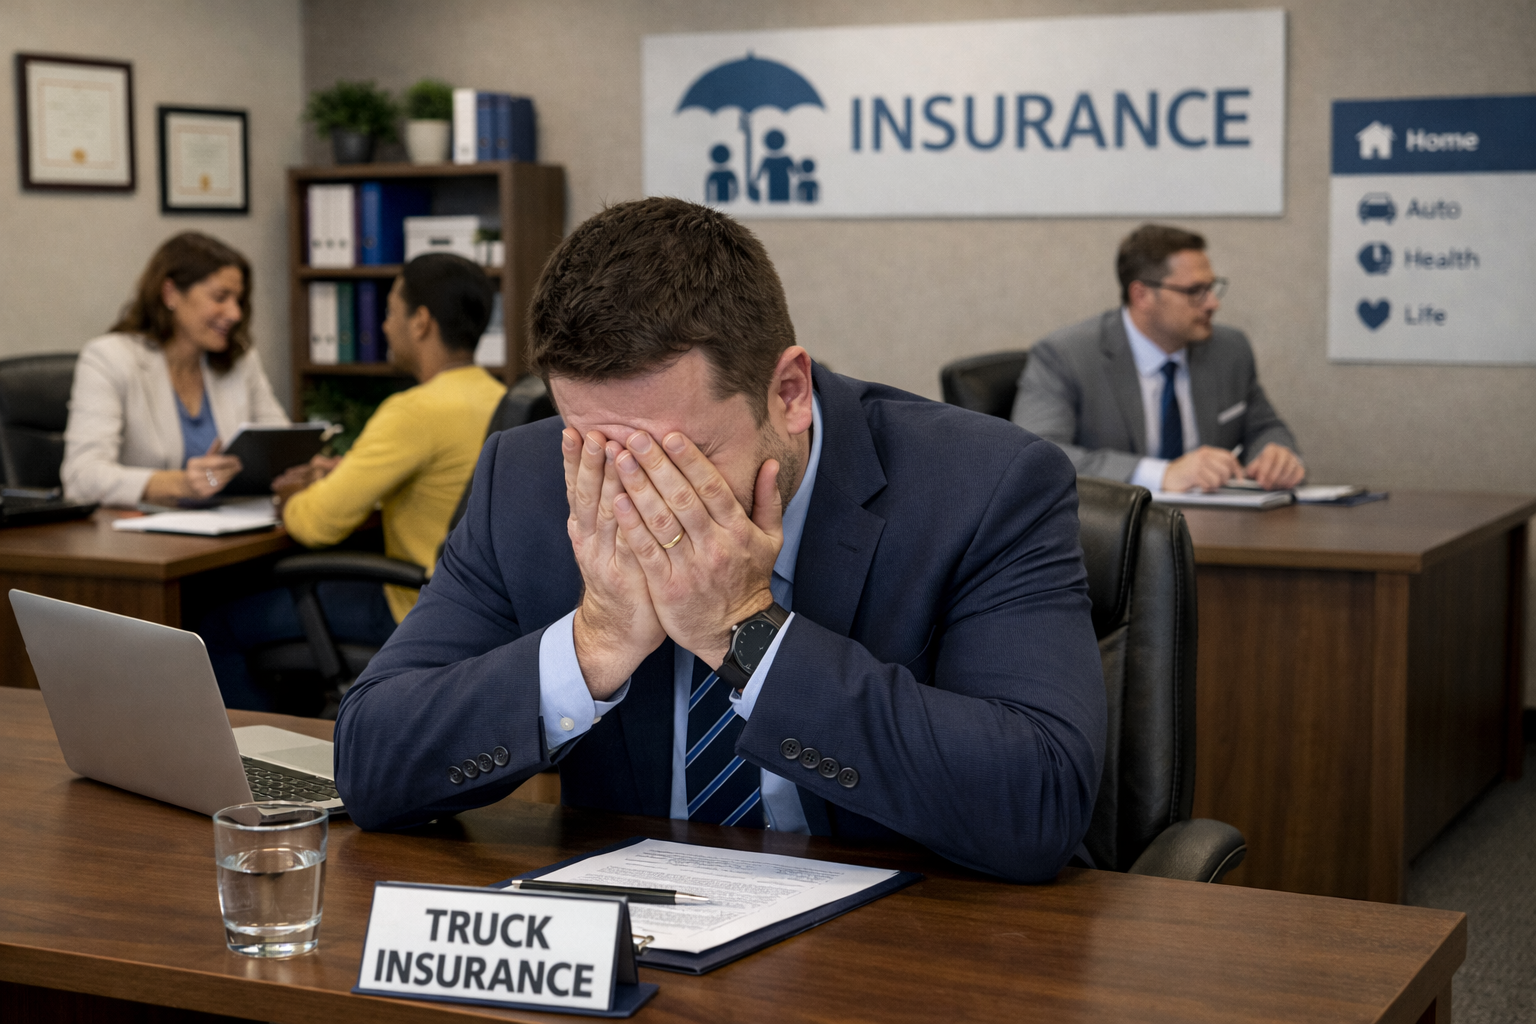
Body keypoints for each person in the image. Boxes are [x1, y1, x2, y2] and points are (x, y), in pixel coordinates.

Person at [334, 198, 1106, 884]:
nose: (643, 500)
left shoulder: (987, 485)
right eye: (603, 453)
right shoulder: (529, 480)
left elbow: (1036, 804)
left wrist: (747, 632)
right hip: (638, 953)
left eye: (683, 461)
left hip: (907, 951)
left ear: (789, 392)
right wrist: (591, 644)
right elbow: (372, 765)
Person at [196, 253, 506, 711]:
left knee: (211, 628)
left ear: (420, 322)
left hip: (412, 610)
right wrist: (350, 475)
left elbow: (317, 525)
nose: (384, 327)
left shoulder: (414, 410)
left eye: (390, 312)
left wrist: (294, 496)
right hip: (478, 616)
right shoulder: (497, 397)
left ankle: (248, 770)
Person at [1012, 224, 1304, 493]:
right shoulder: (1065, 356)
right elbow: (1034, 458)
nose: (1213, 304)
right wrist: (1162, 474)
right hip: (1109, 538)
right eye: (1195, 291)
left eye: (1211, 288)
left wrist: (1275, 452)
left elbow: (1264, 427)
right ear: (1142, 296)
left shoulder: (1229, 350)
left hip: (1216, 529)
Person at [62, 232, 288, 507]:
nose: (234, 314)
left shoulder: (241, 359)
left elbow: (279, 445)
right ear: (170, 294)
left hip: (234, 531)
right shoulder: (109, 358)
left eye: (238, 300)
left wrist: (305, 468)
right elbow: (81, 477)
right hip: (144, 539)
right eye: (220, 297)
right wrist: (180, 483)